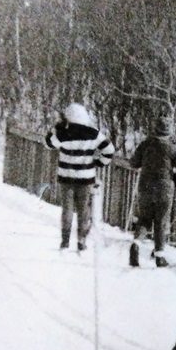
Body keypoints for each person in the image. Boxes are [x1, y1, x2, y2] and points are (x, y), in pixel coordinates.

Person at [44, 103, 115, 251]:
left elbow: (48, 143)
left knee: (67, 209)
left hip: (66, 177)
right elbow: (109, 150)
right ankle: (81, 240)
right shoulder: (93, 133)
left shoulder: (64, 133)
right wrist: (99, 163)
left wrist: (55, 128)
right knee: (84, 210)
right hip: (86, 177)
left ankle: (65, 241)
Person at [129, 114, 176, 267]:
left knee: (144, 219)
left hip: (145, 186)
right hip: (164, 188)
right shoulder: (172, 146)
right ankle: (159, 256)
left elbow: (133, 163)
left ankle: (136, 243)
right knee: (160, 221)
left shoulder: (146, 143)